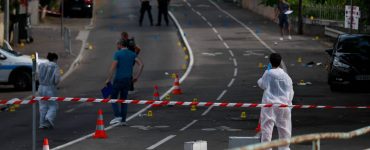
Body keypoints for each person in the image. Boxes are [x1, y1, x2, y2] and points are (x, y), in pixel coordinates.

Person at [257, 53, 294, 150]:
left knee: (267, 129)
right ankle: (284, 148)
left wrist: (265, 72)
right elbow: (290, 91)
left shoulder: (268, 73)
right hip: (284, 105)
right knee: (284, 130)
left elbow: (262, 84)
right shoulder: (286, 77)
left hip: (270, 105)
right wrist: (288, 104)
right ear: (280, 62)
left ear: (270, 62)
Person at [105, 41, 144, 126]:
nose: (116, 46)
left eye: (117, 45)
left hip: (118, 79)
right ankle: (123, 121)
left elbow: (113, 67)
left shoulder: (118, 54)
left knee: (113, 98)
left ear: (120, 45)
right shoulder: (132, 54)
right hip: (128, 81)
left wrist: (108, 79)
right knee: (124, 100)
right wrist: (136, 77)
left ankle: (117, 116)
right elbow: (141, 64)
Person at [38, 53, 61, 129]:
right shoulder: (55, 66)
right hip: (50, 88)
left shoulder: (41, 65)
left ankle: (42, 123)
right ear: (54, 59)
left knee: (43, 105)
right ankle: (48, 118)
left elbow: (37, 76)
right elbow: (56, 79)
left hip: (41, 87)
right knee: (53, 105)